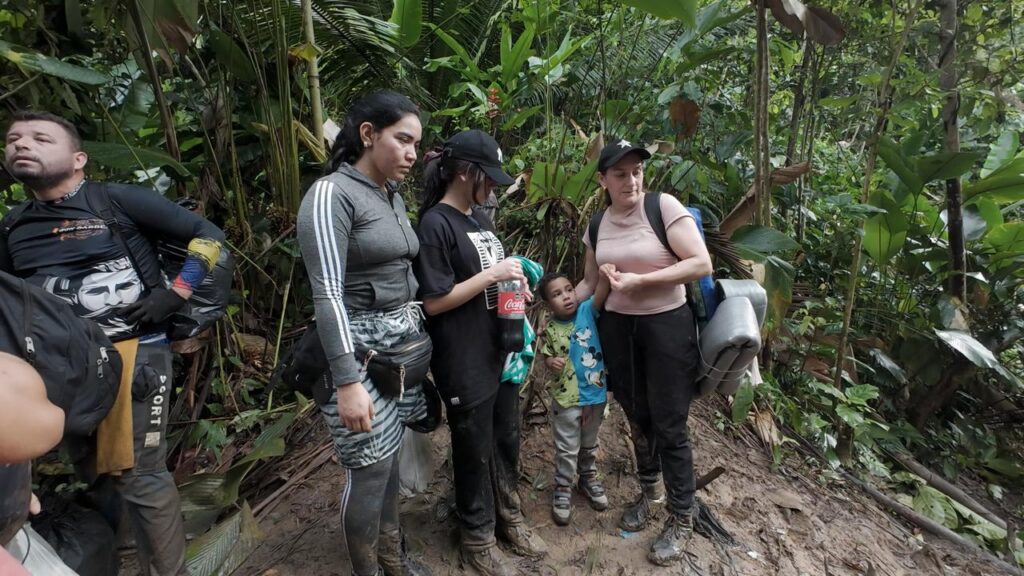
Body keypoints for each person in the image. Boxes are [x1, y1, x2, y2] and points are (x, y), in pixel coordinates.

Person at [1, 110, 226, 576]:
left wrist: (176, 293)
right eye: (14, 139)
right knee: (97, 475)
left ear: (79, 158)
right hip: (61, 371)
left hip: (133, 350)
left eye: (41, 138)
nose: (22, 145)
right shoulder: (13, 225)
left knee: (138, 474)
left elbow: (208, 236)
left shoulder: (113, 200)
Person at [295, 91, 431, 576]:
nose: (413, 153)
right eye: (403, 140)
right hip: (356, 351)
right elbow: (327, 293)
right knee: (370, 469)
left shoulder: (389, 195)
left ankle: (393, 558)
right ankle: (367, 570)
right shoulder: (332, 194)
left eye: (417, 143)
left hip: (397, 348)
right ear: (368, 134)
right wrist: (348, 381)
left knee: (390, 459)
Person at [414, 130, 547, 576]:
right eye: (487, 178)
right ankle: (477, 538)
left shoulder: (479, 220)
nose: (492, 188)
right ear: (465, 172)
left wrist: (516, 285)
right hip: (463, 356)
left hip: (499, 351)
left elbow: (496, 279)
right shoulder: (436, 223)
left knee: (505, 438)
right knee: (472, 447)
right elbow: (435, 300)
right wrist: (493, 276)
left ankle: (510, 517)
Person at [576, 138, 713, 566]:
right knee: (637, 415)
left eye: (636, 171)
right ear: (603, 180)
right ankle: (650, 492)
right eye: (620, 173)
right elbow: (586, 282)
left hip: (666, 326)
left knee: (670, 423)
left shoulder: (663, 207)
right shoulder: (598, 224)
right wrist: (555, 301)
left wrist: (641, 281)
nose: (631, 180)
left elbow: (700, 263)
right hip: (617, 328)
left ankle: (682, 516)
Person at [536, 270, 610, 526]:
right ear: (548, 304)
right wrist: (549, 361)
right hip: (566, 399)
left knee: (590, 442)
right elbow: (546, 354)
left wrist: (605, 272)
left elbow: (601, 289)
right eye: (557, 294)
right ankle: (563, 487)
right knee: (567, 448)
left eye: (569, 289)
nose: (566, 296)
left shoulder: (587, 311)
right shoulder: (551, 328)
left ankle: (587, 478)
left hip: (594, 396)